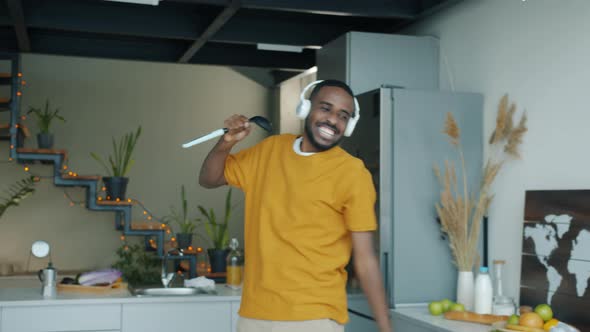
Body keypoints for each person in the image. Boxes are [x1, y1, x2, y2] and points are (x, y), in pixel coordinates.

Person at [199, 79, 392, 332]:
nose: (333, 120)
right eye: (325, 108)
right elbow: (209, 179)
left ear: (349, 125)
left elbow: (365, 260)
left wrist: (386, 327)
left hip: (314, 318)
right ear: (306, 109)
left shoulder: (353, 174)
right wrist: (227, 142)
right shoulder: (269, 150)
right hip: (255, 315)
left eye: (343, 116)